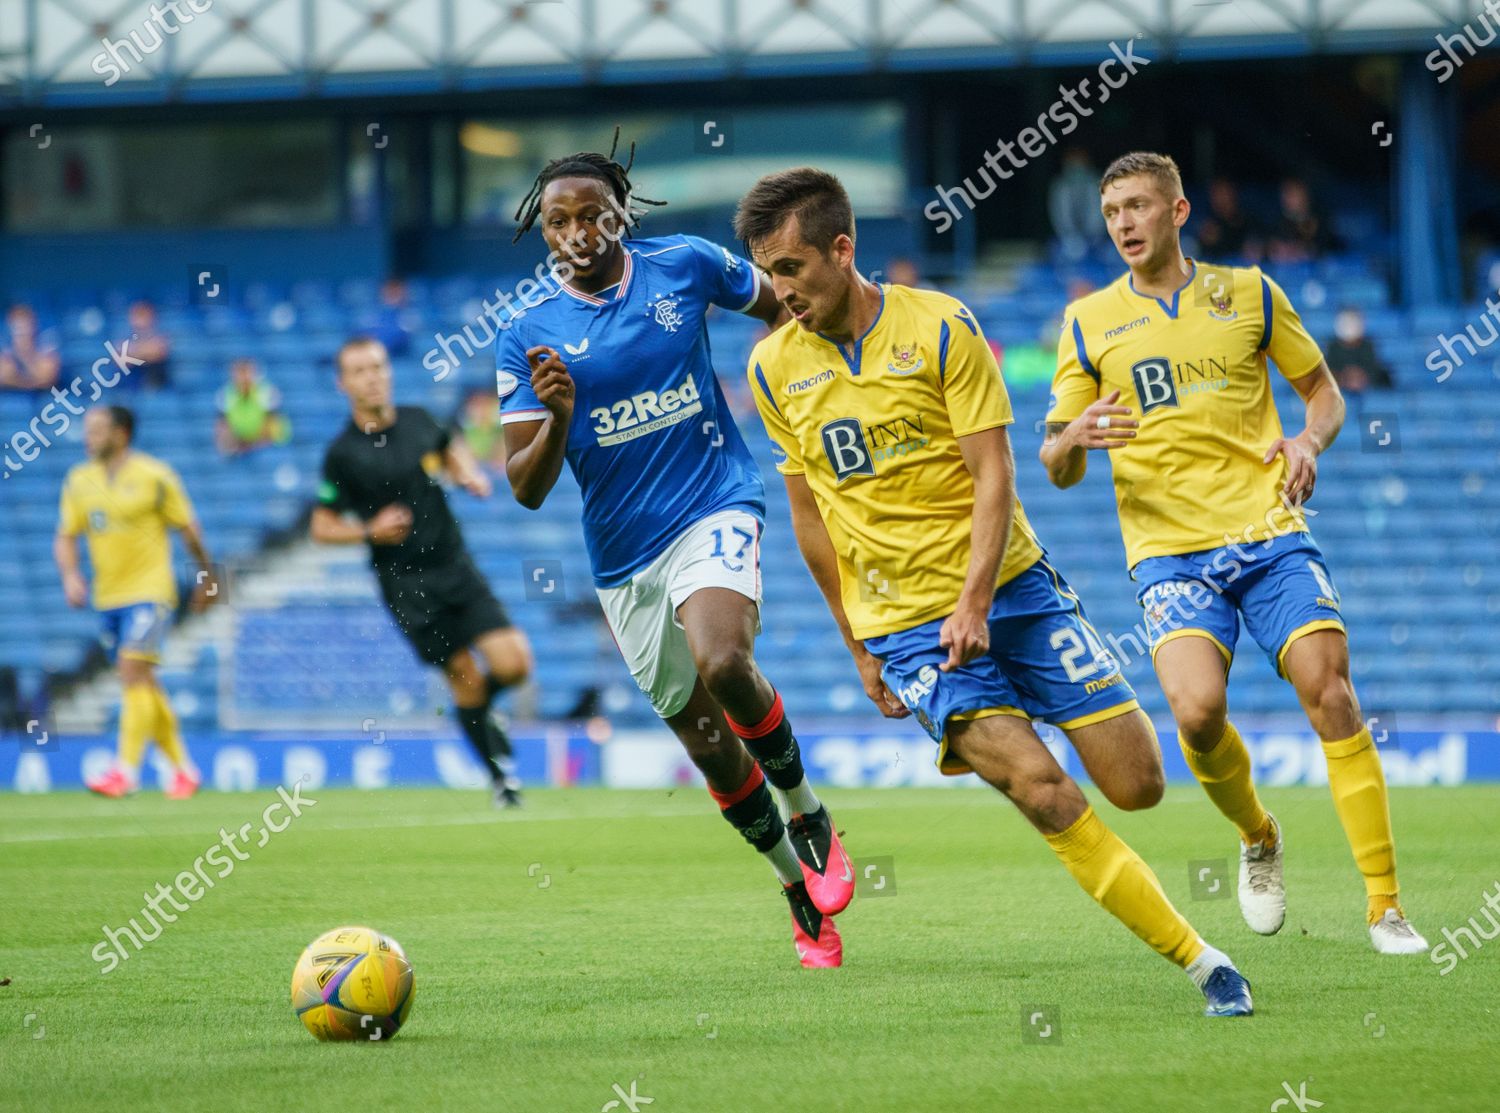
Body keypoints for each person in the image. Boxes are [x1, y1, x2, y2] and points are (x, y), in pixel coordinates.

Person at [735, 166, 1252, 1017]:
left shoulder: (940, 327)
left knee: (1138, 784)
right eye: (767, 272)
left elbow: (994, 471)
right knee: (1044, 789)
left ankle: (1251, 828)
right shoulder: (771, 369)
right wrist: (859, 645)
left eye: (792, 268)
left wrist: (975, 599)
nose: (779, 290)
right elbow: (810, 518)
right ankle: (1205, 963)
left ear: (842, 248)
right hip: (909, 632)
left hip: (1013, 589)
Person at [1041, 151, 1427, 956]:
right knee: (1196, 710)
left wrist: (1308, 441)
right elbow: (1058, 463)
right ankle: (1258, 834)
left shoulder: (1249, 293)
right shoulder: (1088, 320)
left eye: (1138, 208)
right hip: (1169, 554)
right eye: (1112, 213)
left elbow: (1324, 392)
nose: (1123, 225)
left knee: (1330, 691)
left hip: (1268, 531)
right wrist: (1073, 438)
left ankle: (1385, 906)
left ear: (1177, 212)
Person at [498, 138, 854, 968]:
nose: (576, 230)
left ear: (622, 210)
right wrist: (555, 413)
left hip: (714, 499)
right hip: (624, 556)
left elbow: (784, 304)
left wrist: (801, 389)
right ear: (542, 232)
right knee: (704, 739)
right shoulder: (529, 335)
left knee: (724, 660)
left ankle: (806, 811)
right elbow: (525, 485)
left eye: (592, 212)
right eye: (558, 220)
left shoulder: (687, 265)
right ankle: (794, 889)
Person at [312, 336, 531, 807]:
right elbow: (321, 525)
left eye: (378, 366)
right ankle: (500, 779)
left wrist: (466, 472)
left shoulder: (419, 419)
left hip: (454, 563)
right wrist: (369, 529)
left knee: (515, 665)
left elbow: (449, 447)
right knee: (463, 675)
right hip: (406, 583)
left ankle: (481, 713)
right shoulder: (342, 454)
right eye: (360, 371)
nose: (373, 377)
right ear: (343, 383)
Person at [54, 406, 215, 798]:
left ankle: (125, 771)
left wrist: (209, 577)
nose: (88, 437)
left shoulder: (156, 476)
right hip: (108, 597)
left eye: (97, 430)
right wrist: (71, 575)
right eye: (87, 430)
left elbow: (188, 529)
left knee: (131, 671)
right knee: (144, 681)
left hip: (151, 592)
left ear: (121, 434)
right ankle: (183, 769)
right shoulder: (79, 480)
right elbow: (66, 535)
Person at [216, 358, 290, 454]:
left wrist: (248, 445)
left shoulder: (266, 392)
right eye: (239, 373)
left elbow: (271, 426)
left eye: (246, 372)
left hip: (269, 447)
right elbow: (222, 428)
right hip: (241, 446)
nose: (243, 378)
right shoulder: (225, 395)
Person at [1048, 148, 1107, 260]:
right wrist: (1070, 237)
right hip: (1067, 238)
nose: (1076, 166)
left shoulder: (1096, 183)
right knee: (1067, 251)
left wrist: (1094, 237)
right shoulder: (1060, 186)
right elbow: (1060, 215)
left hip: (1097, 237)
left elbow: (1100, 212)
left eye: (1079, 161)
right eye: (1073, 162)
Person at [1269, 177, 1340, 263]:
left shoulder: (1321, 219)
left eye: (1292, 194)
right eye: (1284, 194)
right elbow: (1270, 246)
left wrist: (1303, 250)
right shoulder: (1277, 220)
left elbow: (1325, 245)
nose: (1286, 199)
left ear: (1304, 195)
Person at [1325, 308, 1394, 395]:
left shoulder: (1368, 346)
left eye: (1353, 323)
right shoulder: (1333, 347)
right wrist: (1345, 378)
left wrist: (1361, 378)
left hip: (1367, 392)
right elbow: (1328, 372)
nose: (1350, 327)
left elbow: (1374, 369)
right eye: (1346, 323)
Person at [1196, 177, 1261, 262]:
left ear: (1233, 194)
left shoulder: (1249, 220)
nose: (1220, 199)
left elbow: (1255, 247)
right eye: (1215, 194)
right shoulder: (1208, 225)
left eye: (1224, 193)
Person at [1, 304, 61, 392]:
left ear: (34, 326)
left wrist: (25, 357)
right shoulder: (5, 355)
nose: (22, 332)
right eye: (17, 328)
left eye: (25, 327)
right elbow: (4, 378)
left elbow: (47, 380)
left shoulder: (47, 352)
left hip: (44, 399)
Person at [123, 300, 172, 390]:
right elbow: (120, 359)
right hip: (131, 386)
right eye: (137, 316)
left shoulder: (160, 336)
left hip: (157, 386)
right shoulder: (126, 336)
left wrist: (134, 352)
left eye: (144, 316)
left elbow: (158, 353)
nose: (141, 321)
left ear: (152, 318)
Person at [457, 387, 508, 473]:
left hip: (497, 467)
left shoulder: (500, 426)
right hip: (477, 467)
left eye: (485, 405)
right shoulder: (467, 426)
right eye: (476, 405)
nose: (481, 410)